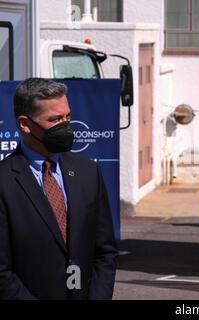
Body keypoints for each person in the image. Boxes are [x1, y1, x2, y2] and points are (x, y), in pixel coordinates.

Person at [0, 78, 118, 300]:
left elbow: (105, 252)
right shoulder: (4, 181)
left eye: (67, 117)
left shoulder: (88, 171)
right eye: (55, 119)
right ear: (25, 124)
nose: (65, 126)